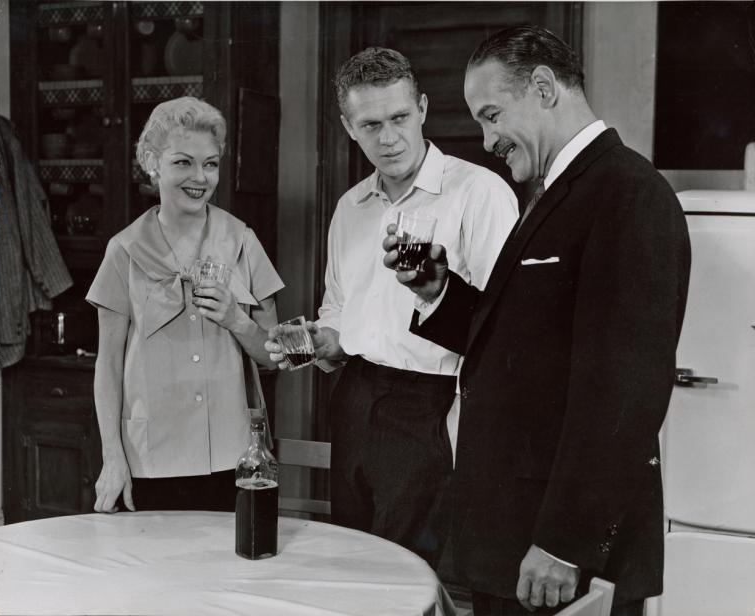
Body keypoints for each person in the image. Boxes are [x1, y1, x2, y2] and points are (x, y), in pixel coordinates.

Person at [382, 26, 691, 616]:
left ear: (544, 88)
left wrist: (564, 543)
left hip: (556, 553)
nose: (487, 138)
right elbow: (524, 340)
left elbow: (625, 391)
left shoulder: (629, 193)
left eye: (493, 115)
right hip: (514, 539)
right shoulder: (556, 192)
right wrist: (438, 290)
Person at [266, 47, 518, 566]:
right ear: (347, 126)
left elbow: (508, 331)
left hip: (431, 407)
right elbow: (338, 314)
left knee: (407, 574)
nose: (388, 137)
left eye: (400, 117)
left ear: (422, 107)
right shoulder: (349, 207)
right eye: (370, 124)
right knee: (354, 565)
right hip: (353, 398)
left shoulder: (480, 194)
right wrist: (319, 340)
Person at [87, 97, 283, 513]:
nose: (200, 177)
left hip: (234, 459)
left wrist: (235, 319)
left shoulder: (243, 241)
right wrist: (112, 456)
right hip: (149, 459)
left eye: (210, 164)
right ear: (151, 162)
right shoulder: (123, 251)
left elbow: (274, 356)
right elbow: (107, 367)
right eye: (183, 163)